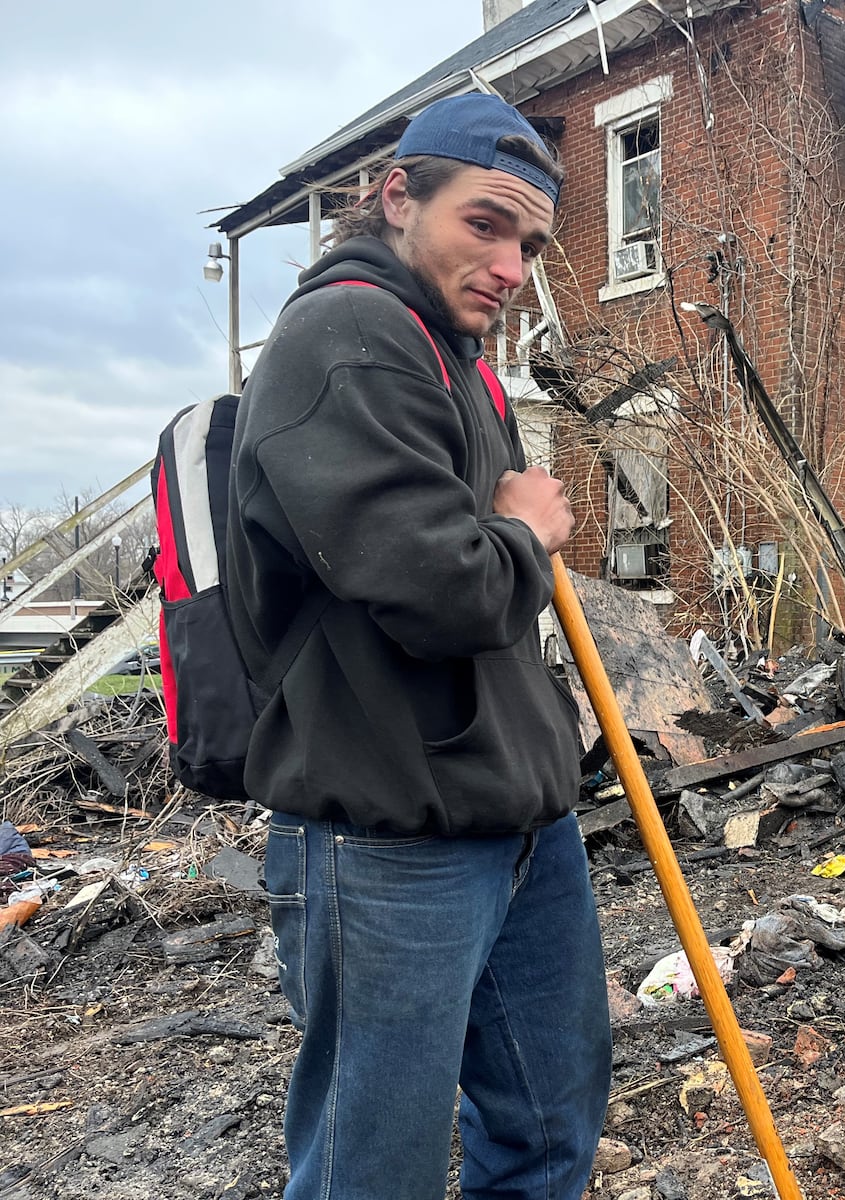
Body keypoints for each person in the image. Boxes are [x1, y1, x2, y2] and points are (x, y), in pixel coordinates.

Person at [226, 93, 611, 1200]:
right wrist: (528, 530)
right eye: (484, 224)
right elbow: (445, 587)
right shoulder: (345, 340)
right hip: (388, 841)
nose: (510, 264)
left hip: (519, 824)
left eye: (529, 245)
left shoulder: (456, 358)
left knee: (546, 1133)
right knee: (374, 1170)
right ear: (399, 195)